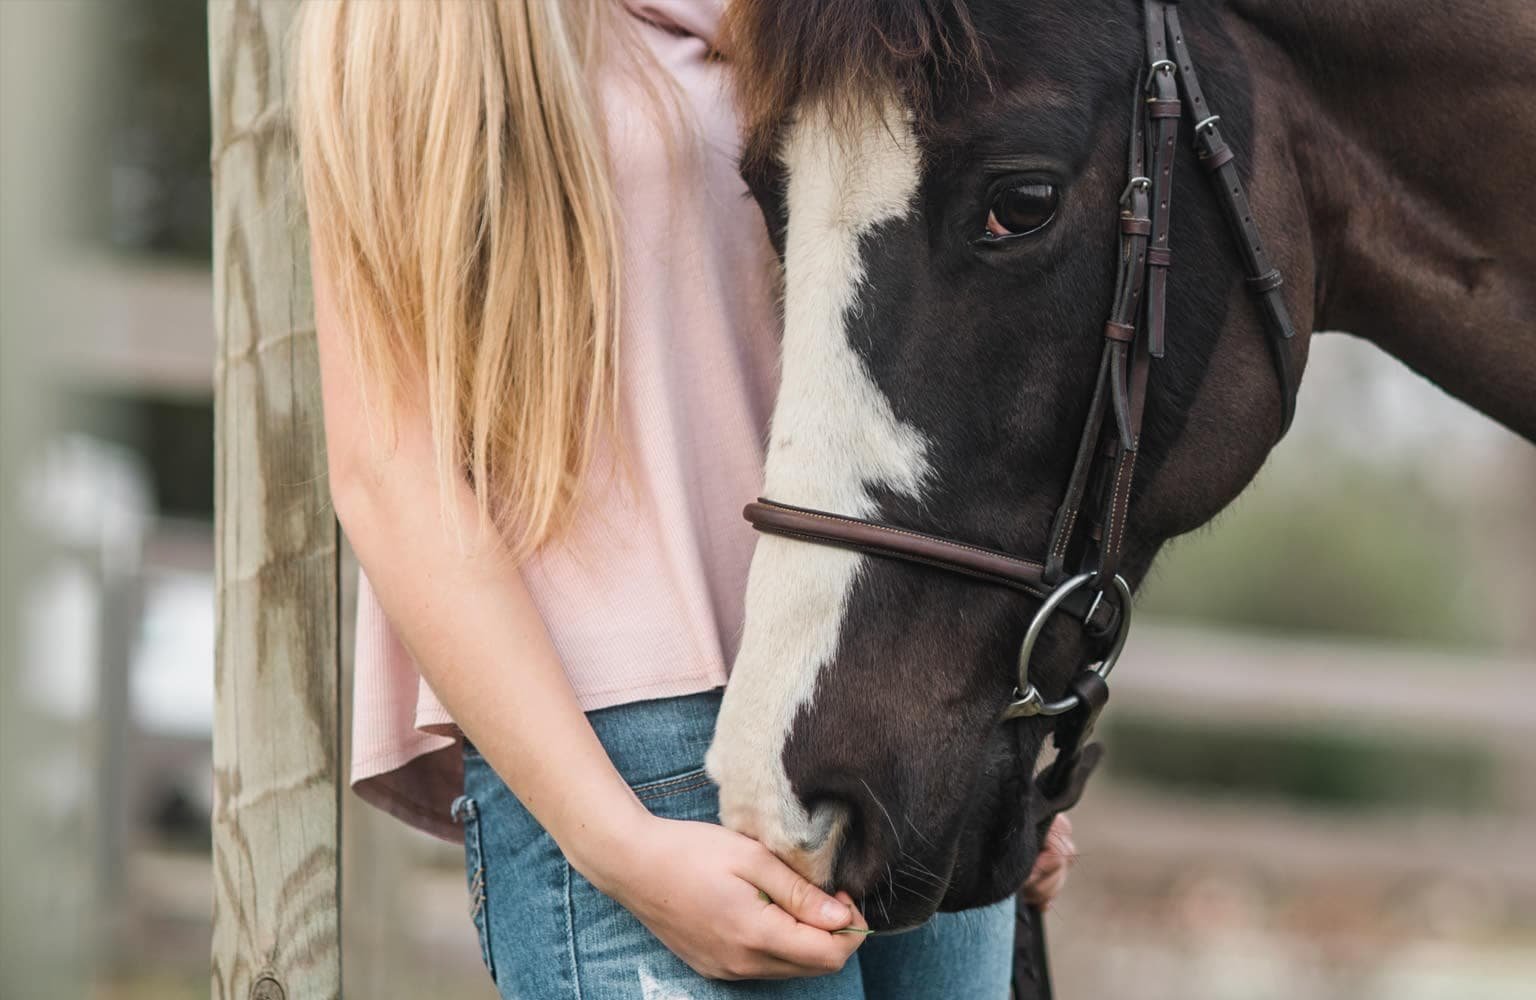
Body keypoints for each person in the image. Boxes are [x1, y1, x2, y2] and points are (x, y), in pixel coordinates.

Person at [293, 1, 1076, 997]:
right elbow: (390, 469)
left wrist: (995, 736)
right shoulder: (437, 22)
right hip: (640, 753)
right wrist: (618, 844)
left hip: (895, 708)